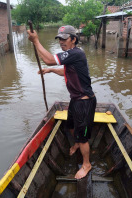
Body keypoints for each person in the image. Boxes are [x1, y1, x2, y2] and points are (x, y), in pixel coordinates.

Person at [27, 25, 96, 179]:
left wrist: (36, 41)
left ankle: (86, 164)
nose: (61, 42)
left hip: (84, 102)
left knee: (82, 136)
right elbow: (65, 71)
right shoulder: (71, 56)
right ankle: (77, 143)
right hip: (75, 100)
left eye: (64, 39)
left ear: (73, 39)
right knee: (70, 125)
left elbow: (50, 59)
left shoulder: (76, 53)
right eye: (59, 39)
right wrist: (50, 70)